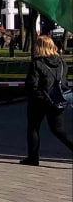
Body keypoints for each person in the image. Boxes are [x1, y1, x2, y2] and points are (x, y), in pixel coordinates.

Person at [23, 35, 72, 166]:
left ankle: (33, 158)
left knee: (33, 128)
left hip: (39, 101)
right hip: (57, 99)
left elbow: (32, 85)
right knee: (59, 130)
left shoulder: (36, 63)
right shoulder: (62, 62)